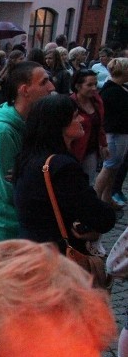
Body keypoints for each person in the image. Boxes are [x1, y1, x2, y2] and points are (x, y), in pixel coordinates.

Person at [14, 94, 115, 254]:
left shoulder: (29, 158)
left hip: (32, 249)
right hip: (57, 255)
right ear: (59, 124)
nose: (82, 119)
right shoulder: (62, 167)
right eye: (75, 116)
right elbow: (101, 217)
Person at [0, 61, 55, 242]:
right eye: (43, 82)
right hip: (8, 231)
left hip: (27, 226)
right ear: (24, 90)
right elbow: (7, 190)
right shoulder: (3, 132)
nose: (51, 87)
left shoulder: (33, 122)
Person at [94, 58, 128, 205]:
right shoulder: (112, 91)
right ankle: (95, 200)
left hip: (119, 132)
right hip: (114, 133)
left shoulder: (118, 88)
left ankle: (106, 197)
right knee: (109, 167)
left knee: (114, 167)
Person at [69, 68, 107, 181]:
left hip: (91, 150)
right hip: (73, 151)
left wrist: (104, 144)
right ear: (77, 86)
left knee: (88, 182)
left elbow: (100, 124)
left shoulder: (96, 100)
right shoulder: (69, 104)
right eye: (89, 85)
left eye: (95, 84)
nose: (94, 88)